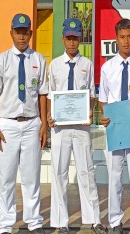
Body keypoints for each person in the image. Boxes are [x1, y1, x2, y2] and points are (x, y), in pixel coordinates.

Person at [0, 13, 48, 234]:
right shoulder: (2, 60)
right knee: (6, 177)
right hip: (8, 125)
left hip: (31, 123)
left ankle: (34, 222)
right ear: (11, 33)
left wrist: (43, 124)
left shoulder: (39, 60)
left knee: (31, 176)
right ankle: (5, 224)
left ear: (31, 33)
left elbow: (42, 94)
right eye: (18, 32)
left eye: (25, 32)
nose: (21, 37)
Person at [47, 18, 106, 234]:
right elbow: (51, 94)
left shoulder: (87, 64)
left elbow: (90, 93)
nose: (72, 42)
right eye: (68, 38)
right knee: (59, 172)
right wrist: (49, 115)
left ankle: (94, 219)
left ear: (80, 39)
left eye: (75, 38)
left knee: (87, 171)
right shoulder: (54, 65)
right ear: (62, 38)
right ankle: (61, 222)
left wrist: (89, 112)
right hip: (60, 127)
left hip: (81, 126)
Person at [98, 18, 130, 234]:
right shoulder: (107, 67)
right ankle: (115, 221)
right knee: (114, 175)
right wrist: (104, 116)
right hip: (115, 127)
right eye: (122, 37)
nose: (126, 41)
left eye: (129, 37)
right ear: (116, 39)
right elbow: (103, 99)